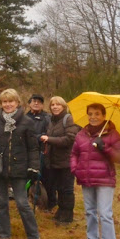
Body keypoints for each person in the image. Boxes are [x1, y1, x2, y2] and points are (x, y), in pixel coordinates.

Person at [0, 89, 44, 239]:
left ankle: (34, 236)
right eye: (5, 102)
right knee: (2, 203)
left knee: (22, 203)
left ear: (17, 103)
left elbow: (33, 148)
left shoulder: (26, 122)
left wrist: (34, 167)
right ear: (1, 104)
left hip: (19, 168)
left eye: (11, 101)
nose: (8, 104)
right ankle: (4, 235)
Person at [71, 103, 120, 239]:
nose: (93, 117)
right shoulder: (82, 133)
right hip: (86, 178)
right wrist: (75, 169)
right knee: (89, 211)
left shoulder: (112, 134)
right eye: (90, 114)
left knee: (104, 214)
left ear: (103, 116)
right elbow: (74, 153)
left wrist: (105, 148)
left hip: (105, 179)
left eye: (97, 114)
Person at [40, 96, 80, 226]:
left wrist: (49, 139)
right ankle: (61, 212)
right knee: (59, 188)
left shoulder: (69, 119)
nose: (55, 107)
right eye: (52, 105)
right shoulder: (52, 121)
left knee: (67, 190)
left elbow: (69, 139)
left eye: (58, 104)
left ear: (63, 106)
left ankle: (67, 216)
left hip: (67, 162)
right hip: (54, 161)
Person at [26, 93, 52, 210]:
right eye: (34, 101)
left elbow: (49, 133)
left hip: (43, 152)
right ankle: (28, 200)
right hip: (28, 152)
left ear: (42, 105)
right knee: (29, 177)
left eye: (39, 102)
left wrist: (38, 137)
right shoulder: (24, 118)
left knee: (46, 178)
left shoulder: (47, 118)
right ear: (29, 103)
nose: (36, 103)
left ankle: (48, 204)